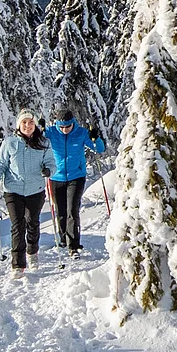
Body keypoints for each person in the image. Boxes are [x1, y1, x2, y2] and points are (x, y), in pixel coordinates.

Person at [0, 110, 54, 274]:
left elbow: (51, 162)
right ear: (19, 124)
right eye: (24, 122)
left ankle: (32, 252)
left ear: (35, 124)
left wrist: (48, 170)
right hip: (13, 190)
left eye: (31, 122)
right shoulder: (10, 143)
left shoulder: (43, 143)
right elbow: (0, 166)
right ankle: (18, 264)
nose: (28, 125)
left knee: (32, 223)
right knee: (18, 226)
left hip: (35, 190)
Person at [43, 106, 108, 257]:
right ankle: (63, 239)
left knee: (72, 209)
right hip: (55, 177)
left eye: (68, 126)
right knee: (60, 211)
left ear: (73, 123)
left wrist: (95, 137)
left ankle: (73, 245)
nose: (65, 130)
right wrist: (39, 130)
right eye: (62, 127)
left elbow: (99, 148)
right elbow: (37, 142)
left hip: (76, 176)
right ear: (57, 124)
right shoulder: (51, 133)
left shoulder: (80, 133)